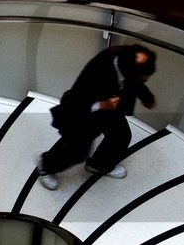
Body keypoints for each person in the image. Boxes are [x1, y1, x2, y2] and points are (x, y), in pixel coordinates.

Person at [36, 44, 157, 190]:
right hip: (84, 113)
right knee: (76, 150)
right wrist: (102, 105)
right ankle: (46, 166)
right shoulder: (97, 72)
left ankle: (99, 164)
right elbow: (77, 102)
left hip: (110, 106)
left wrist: (146, 97)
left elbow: (135, 83)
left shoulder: (126, 62)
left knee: (120, 136)